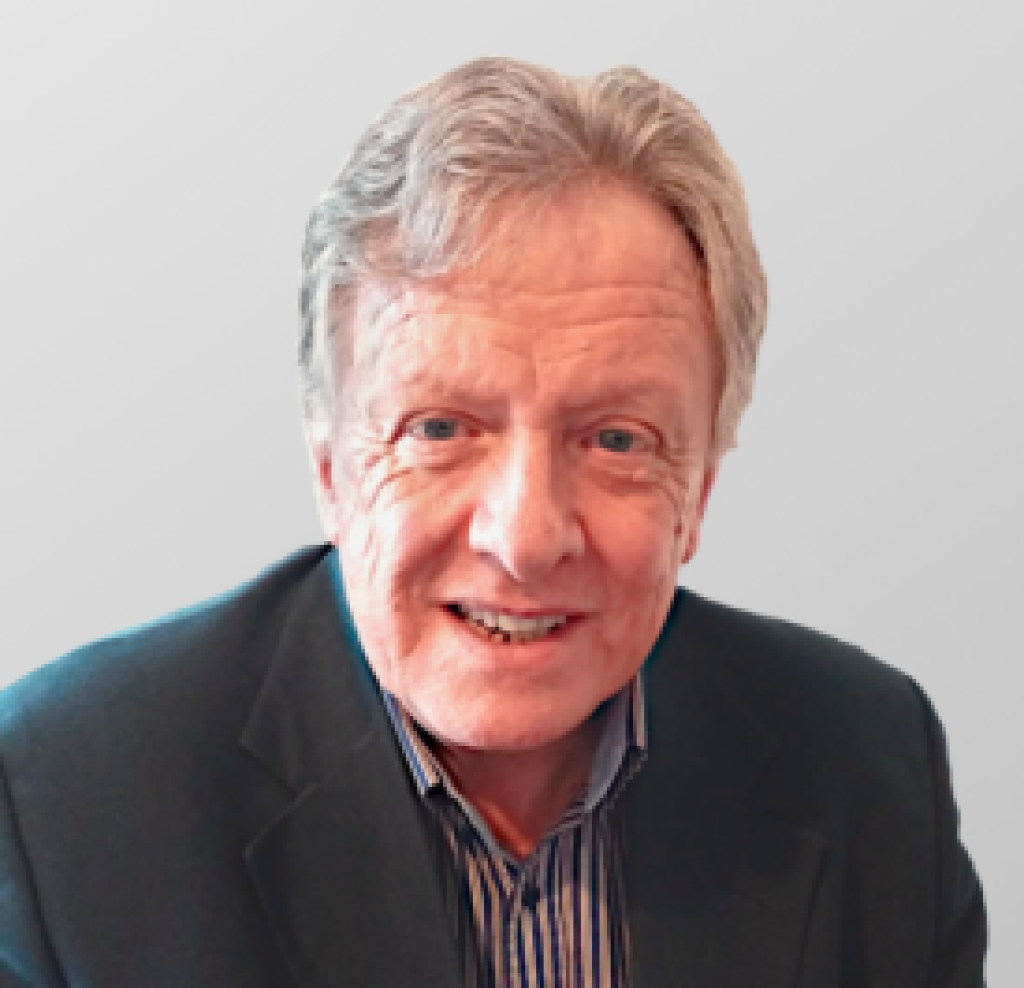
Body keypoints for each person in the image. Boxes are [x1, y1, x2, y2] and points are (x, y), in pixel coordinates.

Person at [0, 58, 985, 987]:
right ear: (331, 469)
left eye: (616, 440)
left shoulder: (867, 766)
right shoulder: (64, 801)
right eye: (440, 428)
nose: (524, 538)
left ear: (699, 492)